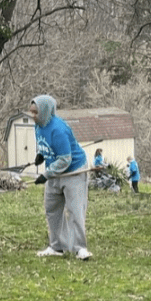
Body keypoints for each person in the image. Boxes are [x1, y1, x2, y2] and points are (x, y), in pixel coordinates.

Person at [29, 95, 92, 261]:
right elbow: (46, 145)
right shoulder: (38, 126)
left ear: (45, 111)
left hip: (73, 171)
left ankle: (80, 249)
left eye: (36, 113)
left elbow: (65, 159)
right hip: (55, 171)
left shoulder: (58, 129)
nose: (33, 116)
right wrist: (40, 155)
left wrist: (45, 175)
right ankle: (57, 246)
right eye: (32, 112)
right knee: (52, 209)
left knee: (75, 210)